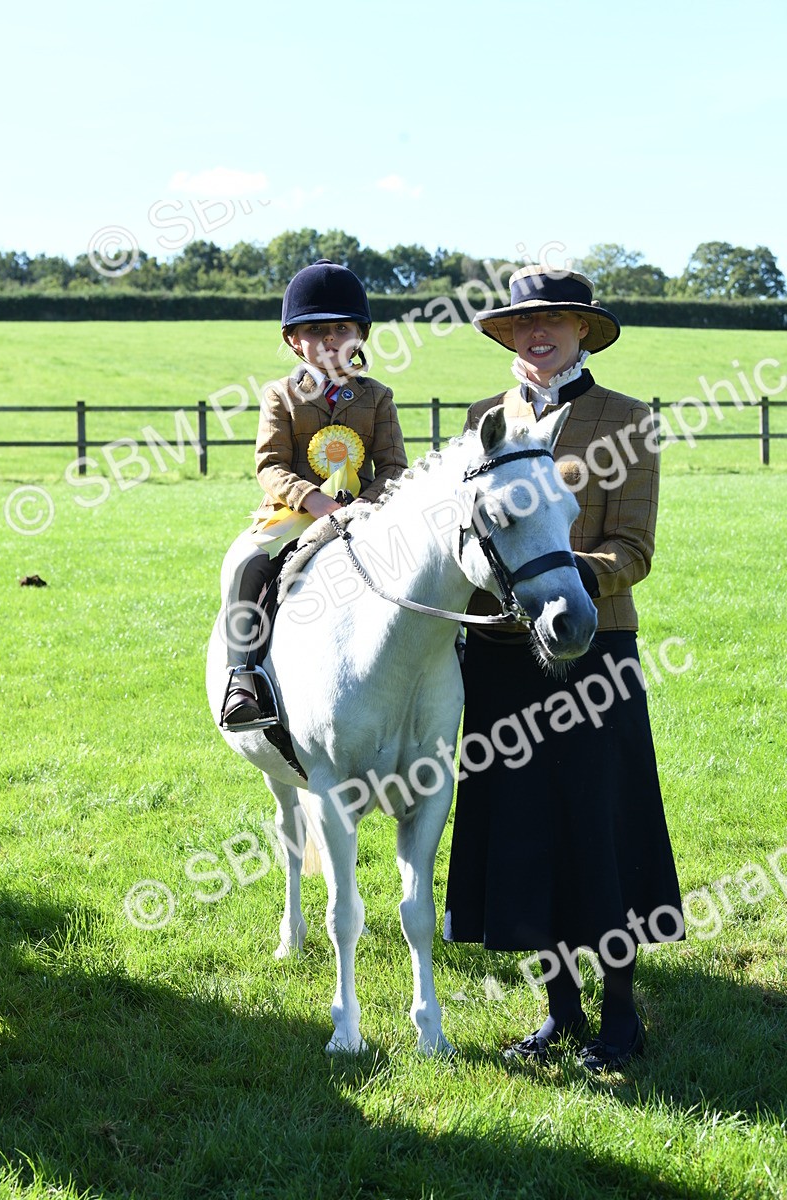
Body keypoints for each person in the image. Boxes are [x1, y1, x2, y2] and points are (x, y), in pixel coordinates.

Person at [444, 265, 683, 1072]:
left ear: (584, 329)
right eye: (521, 323)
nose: (535, 334)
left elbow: (634, 552)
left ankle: (621, 1017)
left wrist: (560, 577)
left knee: (599, 829)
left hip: (593, 653)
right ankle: (558, 1008)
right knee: (523, 832)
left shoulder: (628, 420)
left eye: (552, 321)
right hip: (503, 661)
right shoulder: (483, 423)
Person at [220, 259, 407, 729]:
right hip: (293, 514)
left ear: (360, 335)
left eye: (342, 328)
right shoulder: (279, 395)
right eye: (316, 328)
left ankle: (448, 654)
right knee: (245, 563)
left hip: (365, 514)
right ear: (292, 338)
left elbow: (394, 467)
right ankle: (242, 677)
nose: (330, 339)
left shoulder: (378, 397)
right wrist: (313, 500)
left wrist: (366, 504)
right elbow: (270, 464)